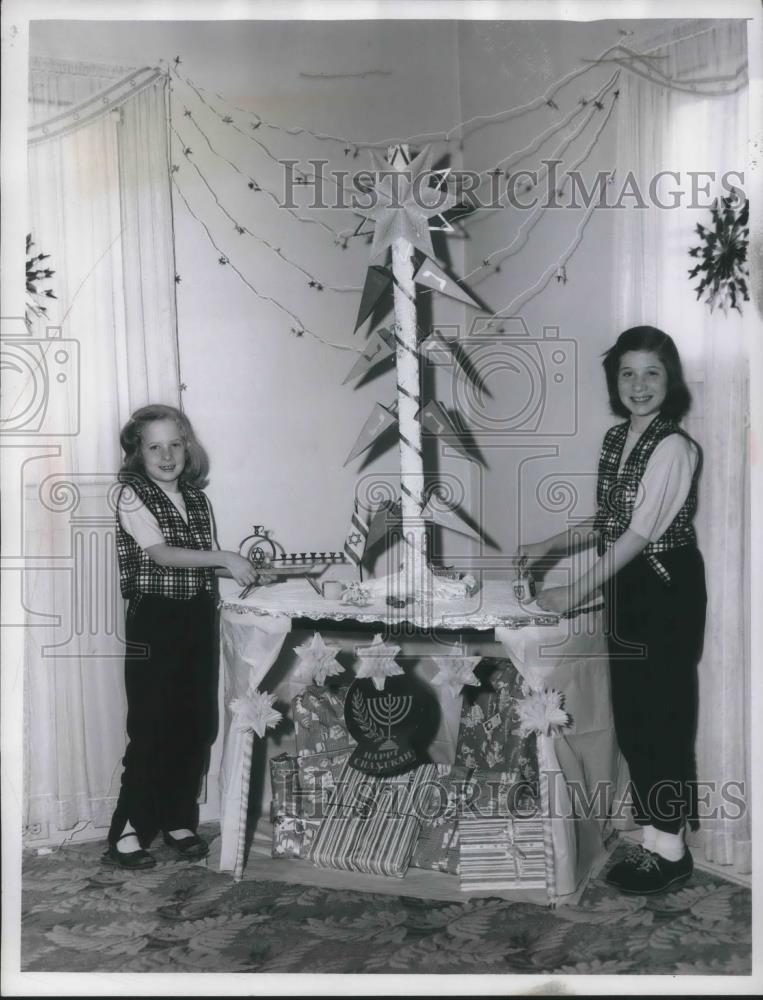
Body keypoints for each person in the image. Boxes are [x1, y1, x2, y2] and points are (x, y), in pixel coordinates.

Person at [515, 327, 706, 895]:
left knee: (663, 716)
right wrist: (550, 544)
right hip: (629, 587)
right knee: (633, 717)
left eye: (652, 373)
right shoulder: (616, 439)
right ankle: (652, 838)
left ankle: (671, 850)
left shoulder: (675, 447)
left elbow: (638, 536)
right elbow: (609, 522)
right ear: (614, 381)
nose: (639, 384)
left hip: (664, 591)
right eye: (627, 373)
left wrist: (569, 594)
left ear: (669, 381)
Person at [104, 404, 262, 870]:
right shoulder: (129, 494)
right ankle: (127, 830)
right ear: (138, 452)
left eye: (175, 443)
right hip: (154, 619)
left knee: (195, 723)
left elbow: (204, 563)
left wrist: (242, 568)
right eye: (154, 446)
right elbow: (164, 554)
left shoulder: (196, 498)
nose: (167, 454)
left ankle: (177, 819)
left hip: (196, 614)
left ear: (187, 447)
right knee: (153, 723)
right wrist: (226, 556)